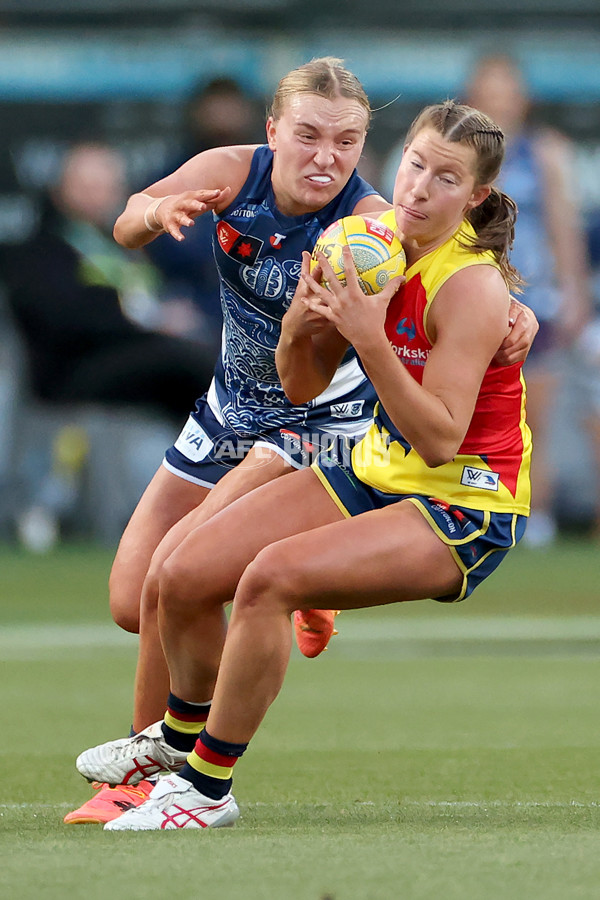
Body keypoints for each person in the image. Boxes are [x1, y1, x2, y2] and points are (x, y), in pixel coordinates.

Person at [65, 60, 537, 825]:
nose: (418, 187)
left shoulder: (442, 267)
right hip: (260, 415)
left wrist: (375, 333)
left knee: (250, 579)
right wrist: (300, 323)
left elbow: (439, 437)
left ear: (473, 195)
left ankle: (180, 780)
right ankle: (183, 732)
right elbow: (297, 374)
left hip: (409, 471)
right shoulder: (357, 234)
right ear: (273, 131)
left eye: (346, 140)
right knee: (157, 587)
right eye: (415, 165)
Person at [463, 54, 592, 545]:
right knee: (470, 409)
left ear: (522, 98)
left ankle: (536, 517)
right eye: (488, 91)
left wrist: (575, 292)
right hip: (471, 296)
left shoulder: (546, 152)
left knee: (533, 414)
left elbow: (564, 228)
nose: (499, 102)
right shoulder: (458, 152)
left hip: (534, 298)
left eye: (507, 91)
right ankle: (472, 508)